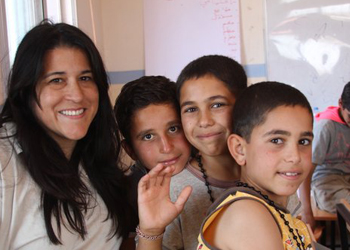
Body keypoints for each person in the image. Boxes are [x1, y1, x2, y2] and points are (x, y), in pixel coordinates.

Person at [0, 20, 134, 249]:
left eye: (85, 78)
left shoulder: (96, 155)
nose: (76, 95)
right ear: (26, 91)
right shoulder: (5, 163)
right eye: (57, 80)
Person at [162, 55, 302, 250]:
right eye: (191, 109)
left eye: (217, 105)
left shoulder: (274, 173)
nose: (204, 121)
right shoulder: (175, 190)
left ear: (244, 105)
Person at [197, 81, 315, 250]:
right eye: (276, 140)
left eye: (304, 141)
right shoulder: (246, 214)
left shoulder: (269, 209)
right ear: (240, 149)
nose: (295, 157)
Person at [113, 75, 191, 239]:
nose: (166, 146)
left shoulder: (213, 170)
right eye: (148, 136)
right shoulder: (126, 204)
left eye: (174, 129)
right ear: (130, 150)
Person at [309, 81, 350, 213]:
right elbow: (306, 171)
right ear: (340, 104)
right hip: (327, 181)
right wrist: (306, 210)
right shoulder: (326, 127)